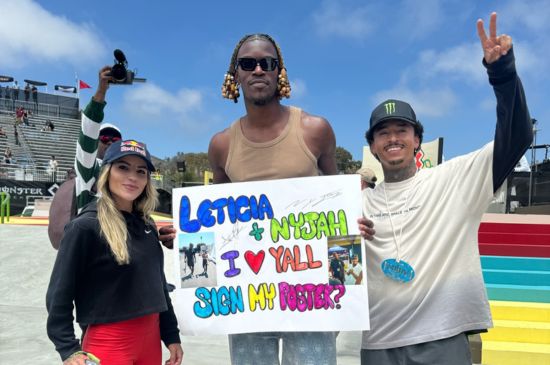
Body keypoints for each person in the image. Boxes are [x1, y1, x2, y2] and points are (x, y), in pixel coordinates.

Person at [357, 12, 532, 364]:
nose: (393, 138)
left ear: (417, 139)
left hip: (442, 339)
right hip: (377, 345)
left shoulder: (455, 178)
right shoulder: (356, 202)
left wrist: (502, 74)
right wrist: (345, 238)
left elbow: (517, 137)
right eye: (383, 132)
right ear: (373, 145)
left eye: (402, 130)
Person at [209, 33, 338, 365]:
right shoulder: (221, 145)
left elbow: (338, 202)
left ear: (279, 71)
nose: (258, 70)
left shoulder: (315, 129)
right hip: (249, 295)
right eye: (247, 63)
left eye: (267, 63)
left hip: (309, 291)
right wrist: (187, 240)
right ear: (234, 74)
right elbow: (216, 221)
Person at [46, 139, 184, 365]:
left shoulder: (147, 225)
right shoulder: (85, 226)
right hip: (108, 342)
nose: (132, 177)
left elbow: (158, 285)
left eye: (141, 171)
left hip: (150, 339)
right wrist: (68, 348)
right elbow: (58, 294)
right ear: (107, 172)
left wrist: (171, 336)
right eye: (123, 167)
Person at [73, 65, 176, 244]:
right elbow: (88, 133)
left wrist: (155, 239)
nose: (111, 141)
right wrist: (101, 92)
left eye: (116, 140)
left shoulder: (141, 214)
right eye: (104, 137)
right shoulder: (88, 170)